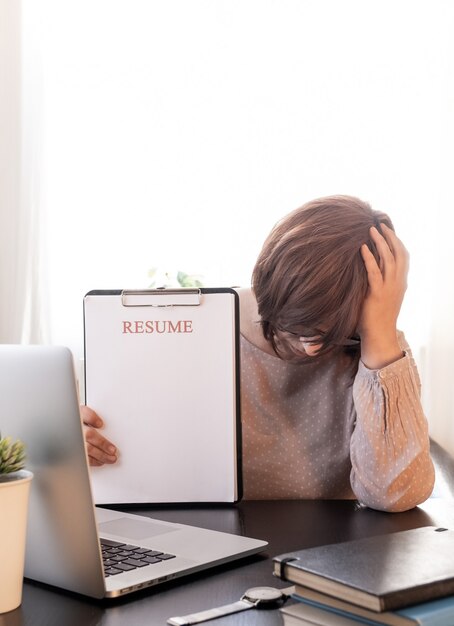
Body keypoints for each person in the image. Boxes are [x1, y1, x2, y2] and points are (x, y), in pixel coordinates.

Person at [81, 195, 435, 512]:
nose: (311, 348)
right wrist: (82, 450)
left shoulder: (376, 349)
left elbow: (395, 494)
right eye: (296, 329)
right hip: (205, 545)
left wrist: (380, 336)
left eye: (333, 333)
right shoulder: (199, 330)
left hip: (326, 563)